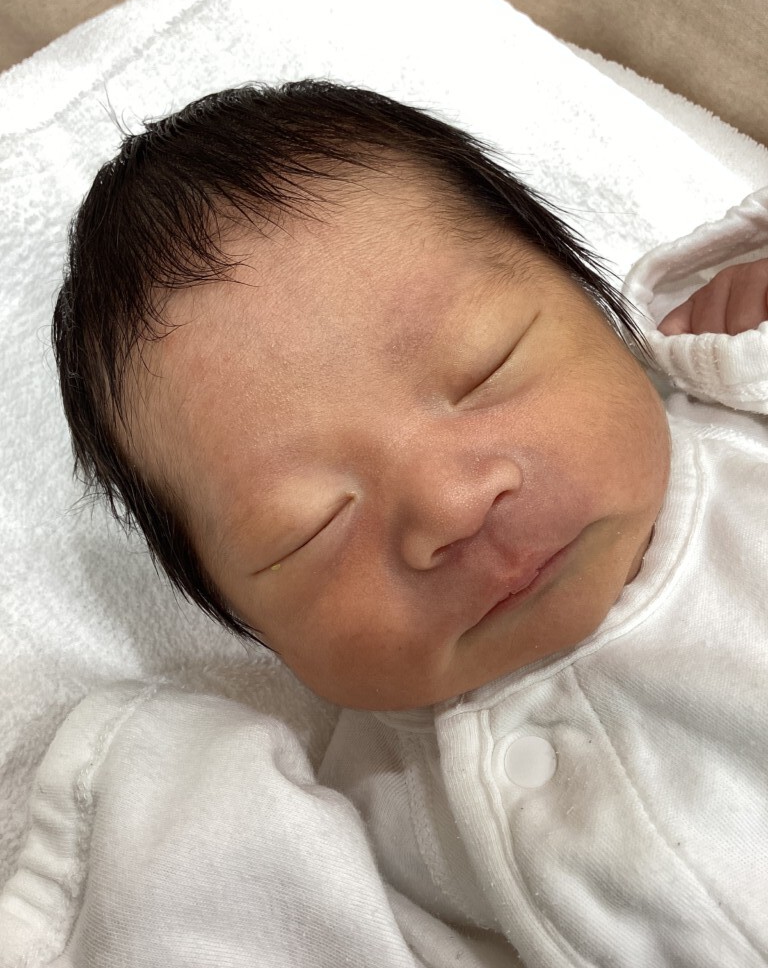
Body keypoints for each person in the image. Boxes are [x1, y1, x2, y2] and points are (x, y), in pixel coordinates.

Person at [51, 79, 768, 964]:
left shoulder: (744, 430)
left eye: (485, 368)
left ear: (602, 316)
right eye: (308, 527)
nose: (450, 506)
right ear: (247, 624)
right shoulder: (377, 813)